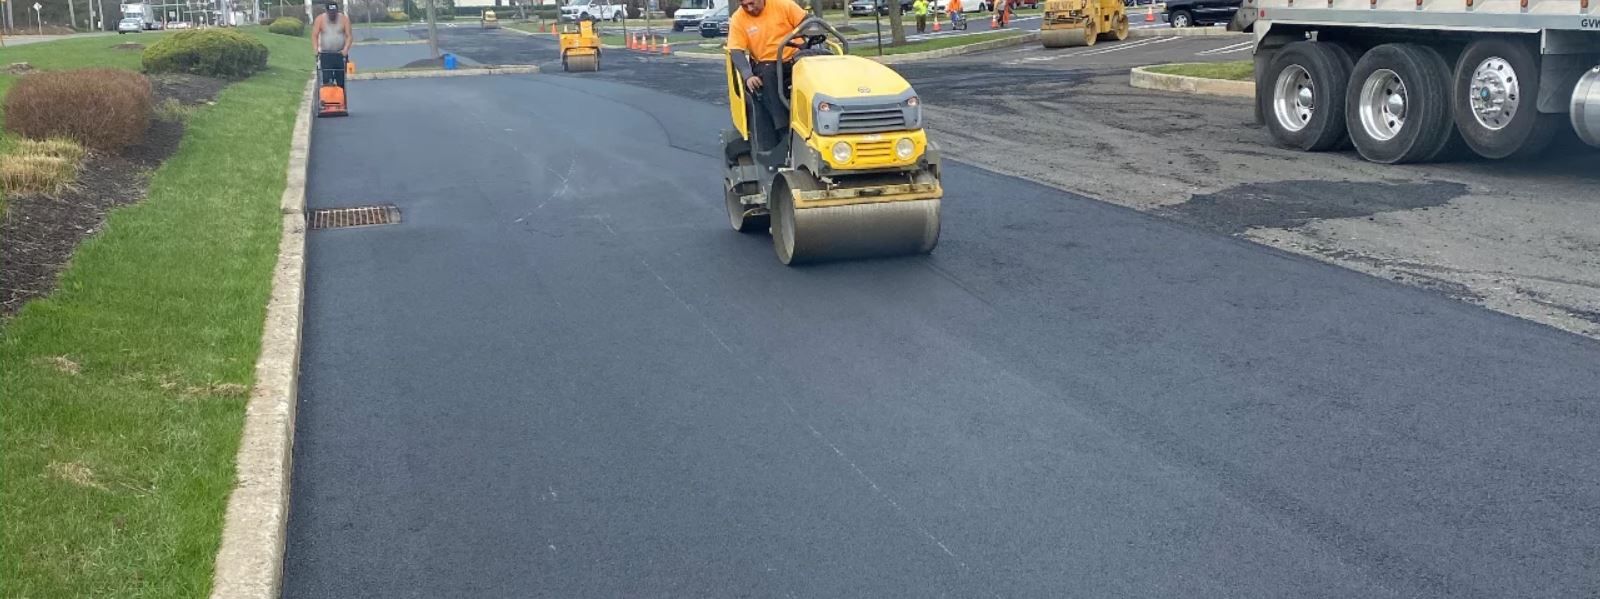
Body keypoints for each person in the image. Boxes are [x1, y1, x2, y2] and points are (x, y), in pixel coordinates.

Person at [727, 0, 810, 151]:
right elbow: (736, 51)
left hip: (796, 57)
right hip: (766, 63)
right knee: (767, 77)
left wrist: (809, 38)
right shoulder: (738, 18)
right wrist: (747, 75)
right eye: (744, 5)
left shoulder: (784, 5)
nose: (749, 8)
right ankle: (784, 131)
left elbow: (808, 24)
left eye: (752, 3)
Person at [311, 2, 353, 88]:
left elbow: (349, 36)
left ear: (337, 11)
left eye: (334, 12)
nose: (333, 15)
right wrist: (316, 49)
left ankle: (341, 95)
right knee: (327, 80)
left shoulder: (344, 19)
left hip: (340, 54)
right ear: (326, 11)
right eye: (330, 13)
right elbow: (314, 35)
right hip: (326, 54)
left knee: (341, 80)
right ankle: (328, 95)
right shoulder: (320, 19)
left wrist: (346, 49)